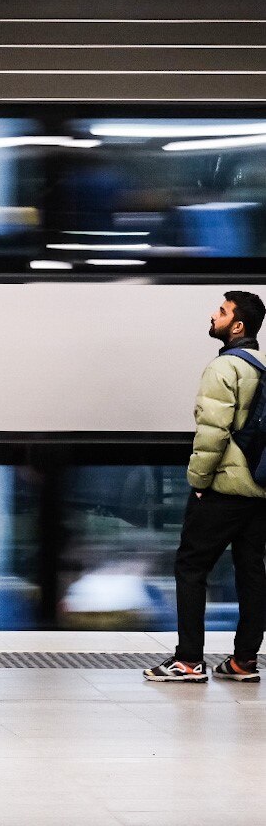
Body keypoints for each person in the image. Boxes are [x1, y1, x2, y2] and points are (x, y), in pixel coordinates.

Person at [146, 291, 266, 683]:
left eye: (221, 311)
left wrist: (198, 482)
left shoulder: (224, 369)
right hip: (258, 488)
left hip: (225, 487)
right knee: (251, 570)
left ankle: (188, 660)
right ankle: (244, 661)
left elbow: (212, 434)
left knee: (191, 566)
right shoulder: (261, 367)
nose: (212, 315)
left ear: (237, 326)